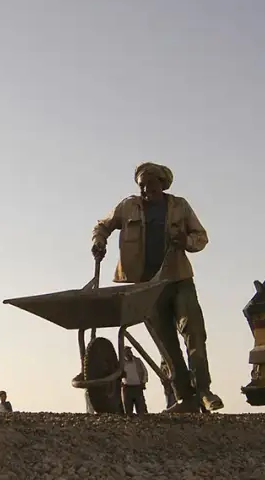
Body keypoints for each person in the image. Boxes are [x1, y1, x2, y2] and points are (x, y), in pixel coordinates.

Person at [91, 162, 223, 413]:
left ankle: (204, 390)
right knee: (166, 345)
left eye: (149, 184)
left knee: (193, 332)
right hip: (147, 288)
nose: (145, 189)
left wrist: (185, 240)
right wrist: (99, 241)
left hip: (178, 280)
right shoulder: (128, 206)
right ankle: (185, 397)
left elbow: (201, 237)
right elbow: (102, 225)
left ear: (161, 184)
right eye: (141, 185)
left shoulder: (179, 206)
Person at [121, 346, 149, 415]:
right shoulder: (121, 363)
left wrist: (143, 382)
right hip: (127, 388)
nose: (129, 353)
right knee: (127, 410)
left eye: (130, 351)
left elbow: (145, 372)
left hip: (138, 387)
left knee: (141, 409)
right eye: (127, 352)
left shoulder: (137, 361)